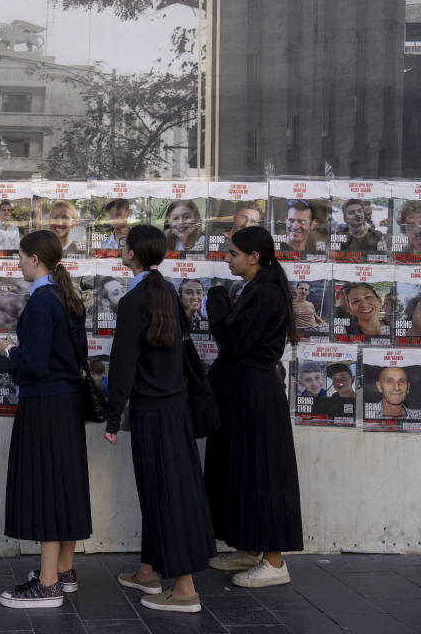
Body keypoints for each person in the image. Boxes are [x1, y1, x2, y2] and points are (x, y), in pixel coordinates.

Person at [103, 224, 216, 613]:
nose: (122, 249)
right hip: (175, 407)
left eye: (124, 245)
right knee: (159, 490)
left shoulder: (137, 299)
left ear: (132, 253)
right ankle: (149, 572)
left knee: (168, 495)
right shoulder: (166, 289)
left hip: (154, 413)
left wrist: (112, 418)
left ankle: (184, 591)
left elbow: (122, 363)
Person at [0, 229, 91, 609]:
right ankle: (63, 571)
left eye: (20, 256)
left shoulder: (39, 303)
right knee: (64, 485)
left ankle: (47, 584)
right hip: (66, 404)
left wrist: (7, 350)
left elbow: (33, 364)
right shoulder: (68, 299)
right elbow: (74, 357)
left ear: (35, 258)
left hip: (44, 404)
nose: (18, 263)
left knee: (47, 488)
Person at [204, 225, 302, 588]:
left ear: (254, 257)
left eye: (232, 254)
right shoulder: (256, 289)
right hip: (242, 392)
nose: (227, 259)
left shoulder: (267, 294)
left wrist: (216, 303)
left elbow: (234, 342)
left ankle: (274, 562)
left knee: (261, 475)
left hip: (256, 396)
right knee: (241, 471)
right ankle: (250, 548)